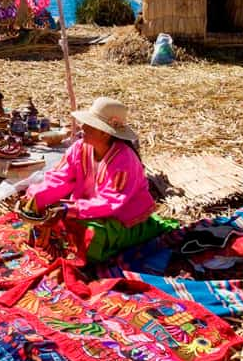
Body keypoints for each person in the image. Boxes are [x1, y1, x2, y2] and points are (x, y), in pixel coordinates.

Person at [20, 97, 177, 263]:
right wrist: (35, 197)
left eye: (89, 125)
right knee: (45, 221)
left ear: (105, 132)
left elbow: (110, 202)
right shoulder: (79, 148)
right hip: (85, 209)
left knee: (89, 236)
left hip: (120, 218)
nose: (82, 127)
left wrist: (68, 209)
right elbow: (60, 178)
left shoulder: (124, 160)